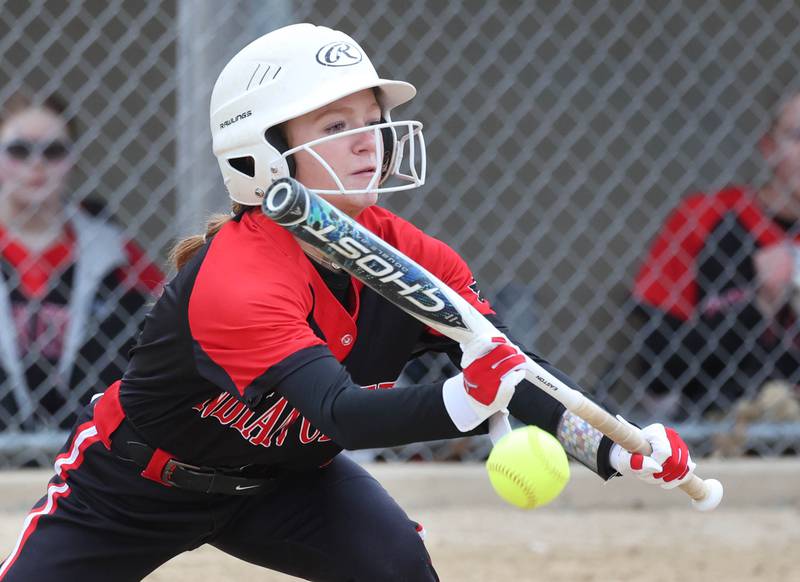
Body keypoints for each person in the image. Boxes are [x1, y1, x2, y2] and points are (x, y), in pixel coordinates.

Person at [0, 24, 696, 581]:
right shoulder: (238, 275)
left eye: (371, 119)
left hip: (287, 482)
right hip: (136, 485)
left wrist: (613, 445)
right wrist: (463, 401)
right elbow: (340, 413)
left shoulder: (414, 256)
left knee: (399, 569)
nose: (368, 140)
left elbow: (517, 375)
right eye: (335, 126)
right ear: (263, 153)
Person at [0, 91, 163, 432]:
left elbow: (167, 317)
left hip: (89, 445)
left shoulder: (112, 251)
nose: (36, 164)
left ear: (71, 159)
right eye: (19, 150)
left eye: (53, 151)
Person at [633, 90, 800, 420]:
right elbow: (657, 368)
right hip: (720, 422)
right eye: (797, 137)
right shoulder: (705, 218)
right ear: (768, 149)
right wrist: (758, 304)